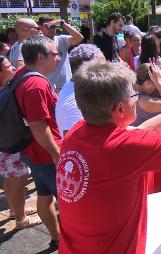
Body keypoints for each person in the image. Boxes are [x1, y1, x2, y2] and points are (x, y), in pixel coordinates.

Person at [56, 59, 161, 253]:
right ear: (120, 109)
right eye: (134, 95)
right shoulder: (124, 148)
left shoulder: (76, 132)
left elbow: (139, 133)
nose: (137, 99)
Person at [14, 35, 61, 249]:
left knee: (44, 195)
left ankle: (57, 238)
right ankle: (73, 240)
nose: (59, 58)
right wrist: (56, 154)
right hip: (45, 154)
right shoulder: (36, 85)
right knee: (69, 200)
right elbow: (37, 125)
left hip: (32, 151)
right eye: (55, 54)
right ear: (41, 57)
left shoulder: (21, 75)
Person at [0, 55, 41, 229]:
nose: (13, 68)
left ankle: (14, 210)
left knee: (10, 179)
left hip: (4, 143)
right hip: (11, 142)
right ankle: (21, 219)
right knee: (18, 180)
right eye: (8, 66)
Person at [56, 44, 105, 136]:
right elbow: (73, 142)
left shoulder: (77, 89)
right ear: (87, 69)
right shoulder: (75, 101)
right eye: (103, 66)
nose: (108, 70)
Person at [38, 16, 84, 93]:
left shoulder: (61, 39)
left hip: (67, 86)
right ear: (40, 27)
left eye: (53, 26)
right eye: (47, 26)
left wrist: (62, 23)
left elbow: (79, 38)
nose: (51, 29)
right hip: (49, 87)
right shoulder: (37, 43)